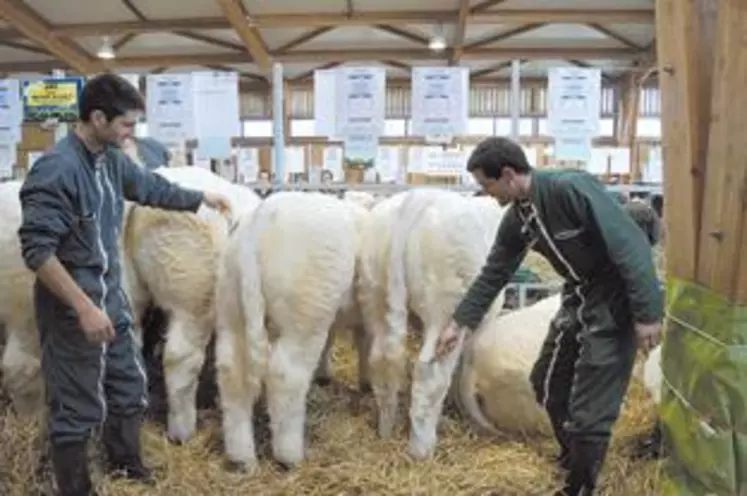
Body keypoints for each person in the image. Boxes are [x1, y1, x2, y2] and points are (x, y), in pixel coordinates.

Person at [17, 73, 232, 496]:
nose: (133, 133)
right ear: (97, 118)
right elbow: (38, 252)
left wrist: (200, 198)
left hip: (110, 295)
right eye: (126, 124)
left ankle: (126, 464)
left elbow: (149, 187)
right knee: (76, 402)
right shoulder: (56, 170)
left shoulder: (111, 161)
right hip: (71, 308)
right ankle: (76, 488)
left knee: (128, 383)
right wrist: (83, 307)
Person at [434, 137, 663, 496]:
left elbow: (630, 245)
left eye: (487, 183)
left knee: (590, 407)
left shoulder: (570, 188)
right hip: (577, 293)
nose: (485, 192)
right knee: (548, 385)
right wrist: (459, 322)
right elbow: (495, 272)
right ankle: (572, 455)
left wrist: (647, 313)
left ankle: (581, 485)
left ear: (508, 175)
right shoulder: (518, 218)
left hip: (614, 294)